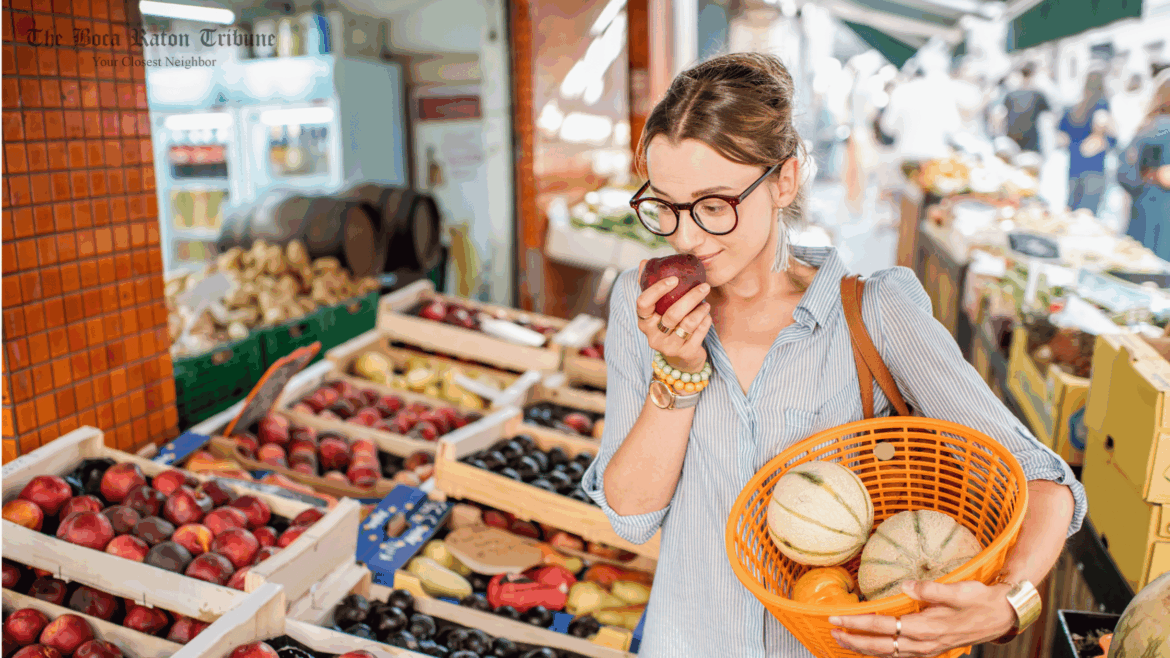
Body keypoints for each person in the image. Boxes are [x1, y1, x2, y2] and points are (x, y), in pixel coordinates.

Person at [583, 52, 1086, 658]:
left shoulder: (875, 314)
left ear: (785, 181)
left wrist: (1009, 603)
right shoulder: (643, 303)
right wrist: (679, 374)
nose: (686, 236)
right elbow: (631, 516)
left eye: (714, 205)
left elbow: (1044, 481)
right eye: (665, 206)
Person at [1118, 71, 1170, 260]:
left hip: (1142, 211)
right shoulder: (1162, 128)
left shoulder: (1147, 126)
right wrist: (1155, 175)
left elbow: (1125, 175)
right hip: (1161, 217)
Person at [1058, 69, 1116, 214]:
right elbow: (1108, 132)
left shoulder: (1075, 107)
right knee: (1088, 209)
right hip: (1094, 166)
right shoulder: (1102, 105)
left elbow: (1062, 135)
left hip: (1074, 162)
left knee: (1072, 205)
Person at [1001, 63, 1052, 153]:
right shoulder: (1038, 95)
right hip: (1031, 140)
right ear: (1033, 75)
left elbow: (1002, 117)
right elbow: (1051, 115)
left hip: (1013, 138)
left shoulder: (1010, 95)